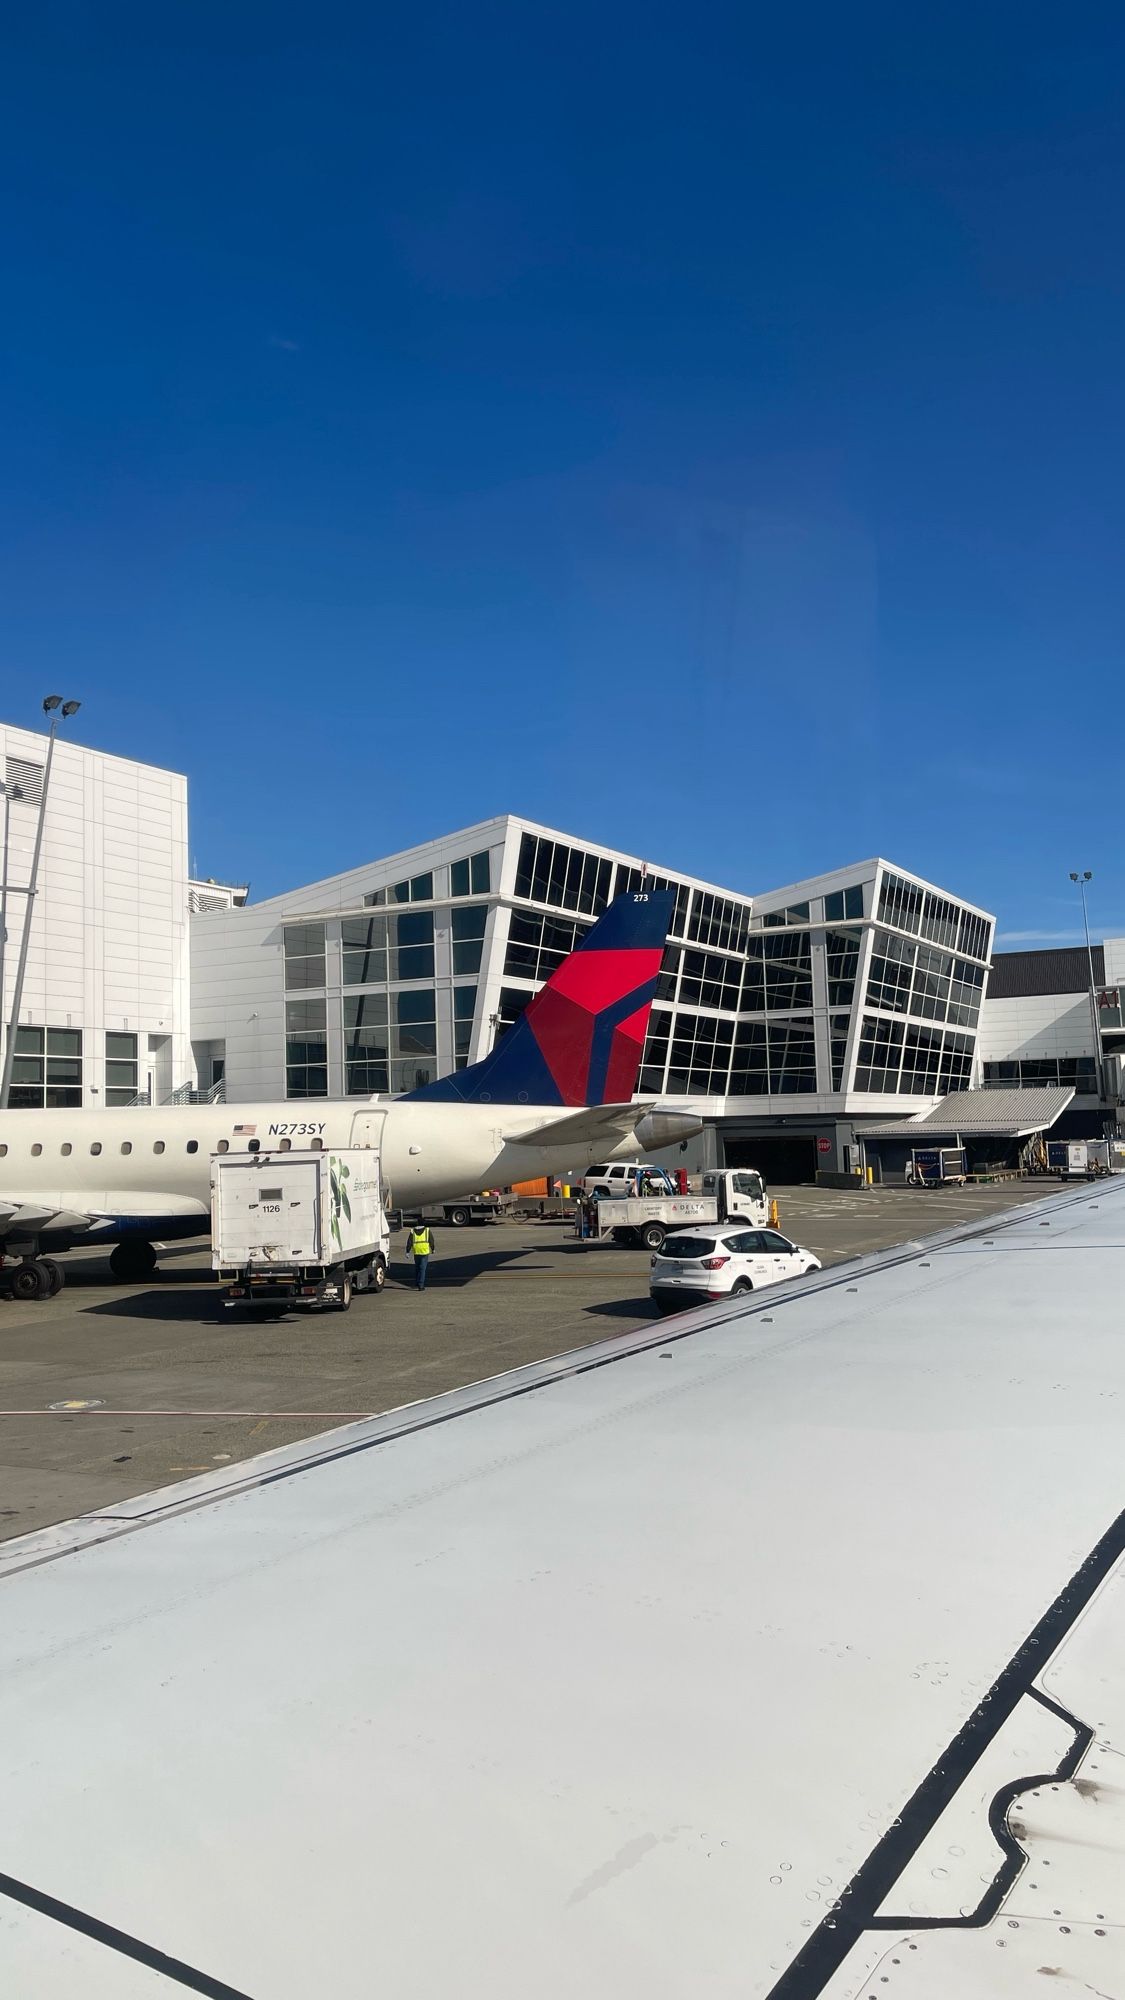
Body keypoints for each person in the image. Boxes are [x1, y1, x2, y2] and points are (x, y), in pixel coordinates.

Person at [408, 1220, 435, 1290]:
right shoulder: (427, 1230)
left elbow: (409, 1241)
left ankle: (417, 1282)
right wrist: (433, 1248)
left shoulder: (412, 1231)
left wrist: (407, 1251)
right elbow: (431, 1240)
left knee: (417, 1268)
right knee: (422, 1269)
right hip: (424, 1252)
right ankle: (421, 1285)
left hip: (416, 1251)